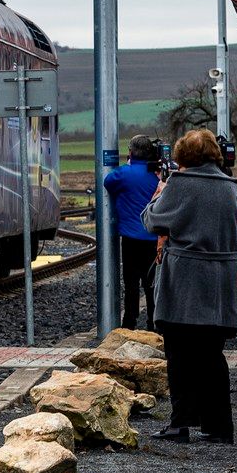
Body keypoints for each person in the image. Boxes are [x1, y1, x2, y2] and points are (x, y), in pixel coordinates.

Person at [141, 129, 237, 444]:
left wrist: (158, 195)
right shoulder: (230, 187)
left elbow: (153, 221)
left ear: (183, 157)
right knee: (212, 355)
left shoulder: (180, 185)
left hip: (186, 280)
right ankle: (219, 425)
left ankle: (180, 422)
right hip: (223, 281)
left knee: (180, 353)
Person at [102, 135, 161, 330]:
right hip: (153, 238)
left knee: (131, 282)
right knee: (151, 282)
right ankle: (153, 323)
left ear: (130, 152)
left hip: (130, 239)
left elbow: (108, 182)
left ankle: (129, 322)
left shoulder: (124, 174)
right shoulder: (157, 175)